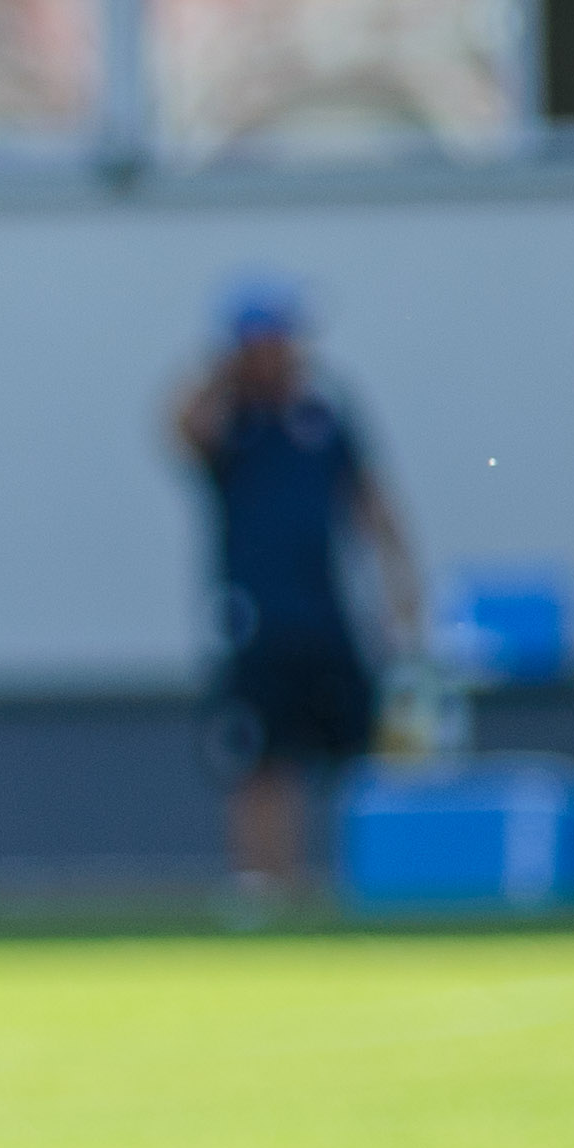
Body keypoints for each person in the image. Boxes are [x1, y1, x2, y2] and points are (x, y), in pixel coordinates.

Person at [172, 276, 420, 915]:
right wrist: (224, 372)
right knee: (262, 759)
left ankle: (359, 880)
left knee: (359, 746)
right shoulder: (235, 424)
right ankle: (265, 883)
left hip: (326, 611)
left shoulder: (324, 417)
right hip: (254, 618)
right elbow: (179, 427)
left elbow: (369, 499)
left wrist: (401, 584)